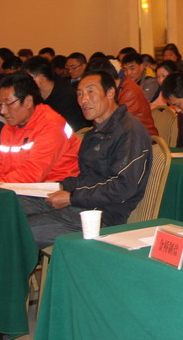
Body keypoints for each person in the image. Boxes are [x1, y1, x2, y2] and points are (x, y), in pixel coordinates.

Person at [19, 70, 152, 248]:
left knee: (22, 229)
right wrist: (60, 186)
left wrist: (72, 198)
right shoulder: (95, 132)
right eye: (80, 94)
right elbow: (87, 178)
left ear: (110, 93)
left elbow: (121, 187)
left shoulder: (130, 131)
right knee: (12, 205)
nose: (84, 100)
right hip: (80, 203)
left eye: (90, 91)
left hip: (102, 216)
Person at [0, 73, 80, 183]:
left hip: (55, 186)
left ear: (28, 101)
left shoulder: (52, 125)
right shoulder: (8, 128)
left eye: (8, 104)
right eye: (0, 105)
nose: (3, 111)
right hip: (20, 185)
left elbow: (31, 173)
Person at [87, 58, 159, 136]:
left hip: (143, 139)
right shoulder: (115, 88)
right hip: (125, 137)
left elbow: (117, 124)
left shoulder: (129, 91)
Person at [23, 56, 90, 131]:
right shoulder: (33, 98)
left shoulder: (69, 97)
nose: (25, 84)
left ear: (41, 77)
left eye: (28, 79)